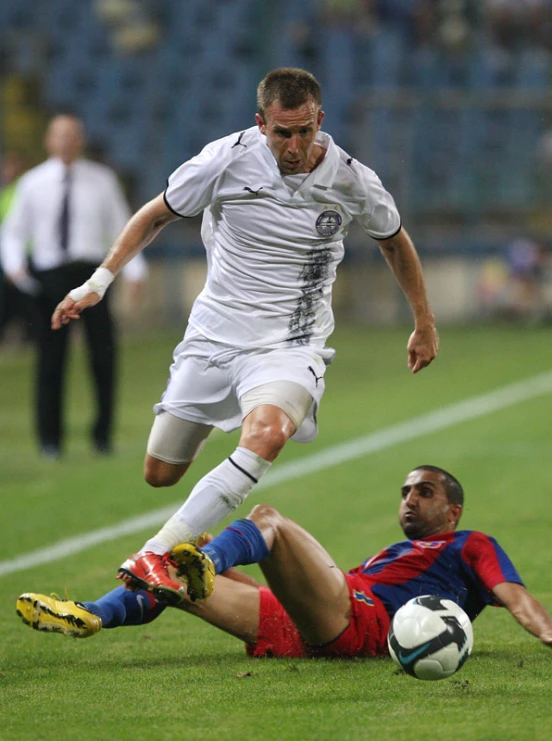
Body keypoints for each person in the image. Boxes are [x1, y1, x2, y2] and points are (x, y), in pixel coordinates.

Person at [49, 68, 439, 603]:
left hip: (291, 344)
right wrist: (98, 282)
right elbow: (154, 215)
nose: (295, 145)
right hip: (214, 338)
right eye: (283, 133)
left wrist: (424, 321)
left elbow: (394, 241)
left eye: (305, 130)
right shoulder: (224, 160)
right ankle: (207, 466)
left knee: (268, 434)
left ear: (320, 120)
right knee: (160, 473)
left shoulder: (352, 179)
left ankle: (156, 551)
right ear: (261, 125)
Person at [16, 465, 552, 659]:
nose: (410, 498)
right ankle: (90, 614)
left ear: (452, 510)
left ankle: (207, 558)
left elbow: (516, 598)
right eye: (407, 489)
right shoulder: (392, 554)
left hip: (361, 621)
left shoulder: (468, 544)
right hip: (306, 628)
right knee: (169, 578)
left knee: (267, 519)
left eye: (426, 492)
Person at [1, 114, 148, 458]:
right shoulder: (32, 183)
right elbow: (13, 233)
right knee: (50, 361)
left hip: (91, 277)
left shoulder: (102, 180)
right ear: (49, 141)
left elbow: (122, 229)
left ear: (80, 140)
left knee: (103, 356)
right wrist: (16, 271)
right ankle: (50, 441)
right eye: (60, 135)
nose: (67, 141)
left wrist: (134, 271)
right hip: (49, 278)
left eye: (73, 135)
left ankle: (102, 436)